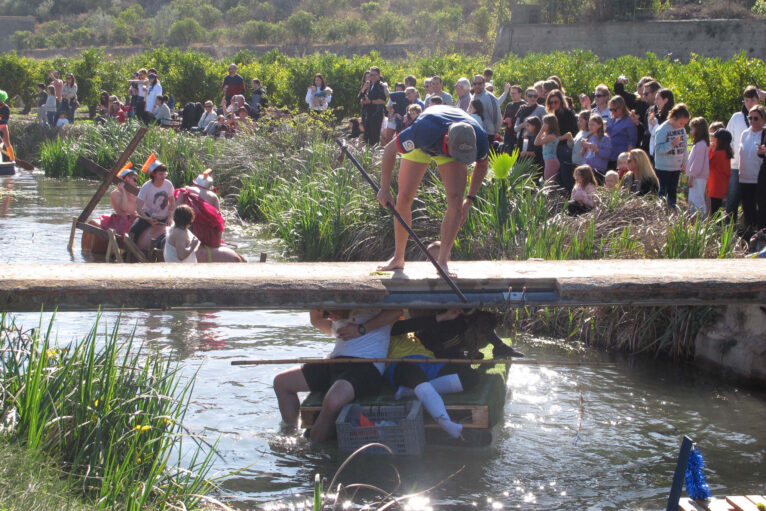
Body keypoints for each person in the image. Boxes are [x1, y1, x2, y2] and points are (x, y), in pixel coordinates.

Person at [376, 105, 489, 276]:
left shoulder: (478, 137)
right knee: (404, 197)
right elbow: (389, 150)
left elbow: (482, 166)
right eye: (458, 154)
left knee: (456, 204)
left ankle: (442, 262)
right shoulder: (423, 131)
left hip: (449, 140)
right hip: (425, 143)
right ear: (447, 140)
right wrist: (384, 188)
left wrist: (470, 199)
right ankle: (398, 258)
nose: (461, 160)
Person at [273, 308, 402, 441]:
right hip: (335, 360)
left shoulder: (372, 300)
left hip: (367, 365)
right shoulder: (336, 311)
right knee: (282, 382)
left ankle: (313, 449)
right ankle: (290, 434)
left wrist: (361, 329)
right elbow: (317, 320)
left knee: (333, 401)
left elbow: (396, 311)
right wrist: (326, 312)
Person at [726, 86, 763, 223]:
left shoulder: (763, 121)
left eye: (752, 100)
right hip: (736, 166)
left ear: (759, 100)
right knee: (732, 198)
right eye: (747, 100)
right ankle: (729, 229)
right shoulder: (737, 118)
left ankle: (753, 229)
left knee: (755, 201)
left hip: (757, 169)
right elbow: (728, 139)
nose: (749, 103)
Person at [129, 156, 175, 245]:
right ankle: (127, 253)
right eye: (160, 174)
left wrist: (170, 217)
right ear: (153, 174)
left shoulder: (168, 184)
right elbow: (138, 207)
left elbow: (172, 202)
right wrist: (147, 219)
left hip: (165, 217)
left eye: (165, 174)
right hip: (149, 216)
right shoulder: (146, 187)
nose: (163, 177)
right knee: (133, 231)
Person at [653, 103, 690, 209]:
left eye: (684, 124)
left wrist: (685, 163)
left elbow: (684, 147)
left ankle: (672, 212)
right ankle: (661, 213)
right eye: (681, 123)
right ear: (674, 118)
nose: (682, 126)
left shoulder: (682, 130)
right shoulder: (662, 129)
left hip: (676, 167)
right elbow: (658, 149)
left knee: (673, 192)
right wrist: (671, 144)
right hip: (663, 167)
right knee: (663, 192)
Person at [739, 104, 765, 233]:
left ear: (763, 119)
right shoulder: (744, 134)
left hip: (759, 179)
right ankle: (749, 235)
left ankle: (760, 235)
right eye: (750, 118)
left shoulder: (764, 134)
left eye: (756, 118)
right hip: (744, 178)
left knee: (760, 210)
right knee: (747, 208)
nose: (753, 121)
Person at [96, 167, 139, 236]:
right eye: (134, 180)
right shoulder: (115, 193)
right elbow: (124, 208)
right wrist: (124, 192)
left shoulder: (135, 192)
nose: (136, 183)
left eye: (137, 180)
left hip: (134, 217)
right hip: (121, 220)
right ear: (127, 179)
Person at [685, 117, 710, 215]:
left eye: (692, 129)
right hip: (699, 176)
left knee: (696, 199)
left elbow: (697, 164)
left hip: (697, 177)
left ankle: (699, 218)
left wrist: (691, 176)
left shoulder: (700, 145)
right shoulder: (703, 144)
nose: (690, 132)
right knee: (697, 197)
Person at [605, 96, 637, 169]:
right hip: (608, 155)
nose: (612, 112)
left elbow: (632, 141)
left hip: (621, 157)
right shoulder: (610, 119)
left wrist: (628, 158)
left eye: (615, 110)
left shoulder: (629, 120)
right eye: (610, 109)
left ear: (621, 108)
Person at [707, 128, 733, 217]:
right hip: (721, 185)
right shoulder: (726, 152)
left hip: (715, 186)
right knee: (716, 207)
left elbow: (708, 163)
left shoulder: (719, 154)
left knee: (714, 209)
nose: (713, 141)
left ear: (720, 141)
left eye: (715, 139)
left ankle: (716, 227)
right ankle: (717, 225)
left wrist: (710, 149)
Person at [471, 74, 501, 147]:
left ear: (484, 84)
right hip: (476, 132)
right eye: (475, 84)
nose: (477, 86)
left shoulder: (489, 97)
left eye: (479, 83)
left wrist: (495, 131)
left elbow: (496, 116)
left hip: (488, 133)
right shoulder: (473, 96)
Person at [361, 67, 387, 146]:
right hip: (368, 113)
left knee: (374, 137)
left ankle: (373, 154)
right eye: (370, 75)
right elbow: (361, 96)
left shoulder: (380, 86)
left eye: (374, 75)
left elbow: (383, 100)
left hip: (376, 114)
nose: (372, 77)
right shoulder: (370, 86)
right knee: (366, 137)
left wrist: (370, 102)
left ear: (378, 75)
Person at [535, 114, 561, 182]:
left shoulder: (551, 136)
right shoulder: (548, 135)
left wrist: (542, 130)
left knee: (548, 184)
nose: (543, 125)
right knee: (548, 182)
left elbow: (536, 142)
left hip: (551, 161)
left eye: (544, 123)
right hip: (549, 161)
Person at [648, 88, 674, 157]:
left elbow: (665, 135)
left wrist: (656, 125)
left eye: (658, 99)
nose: (655, 102)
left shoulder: (671, 117)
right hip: (656, 153)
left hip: (666, 156)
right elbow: (653, 133)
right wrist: (651, 123)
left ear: (665, 100)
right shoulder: (658, 114)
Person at [500, 85, 526, 153]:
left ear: (520, 94)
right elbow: (505, 118)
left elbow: (525, 120)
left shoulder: (524, 105)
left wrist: (512, 121)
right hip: (508, 134)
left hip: (518, 135)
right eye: (511, 93)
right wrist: (504, 121)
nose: (512, 95)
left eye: (514, 93)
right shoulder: (509, 105)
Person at [0, 91, 12, 161]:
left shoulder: (6, 108)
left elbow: (5, 119)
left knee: (7, 143)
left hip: (3, 127)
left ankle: (12, 158)